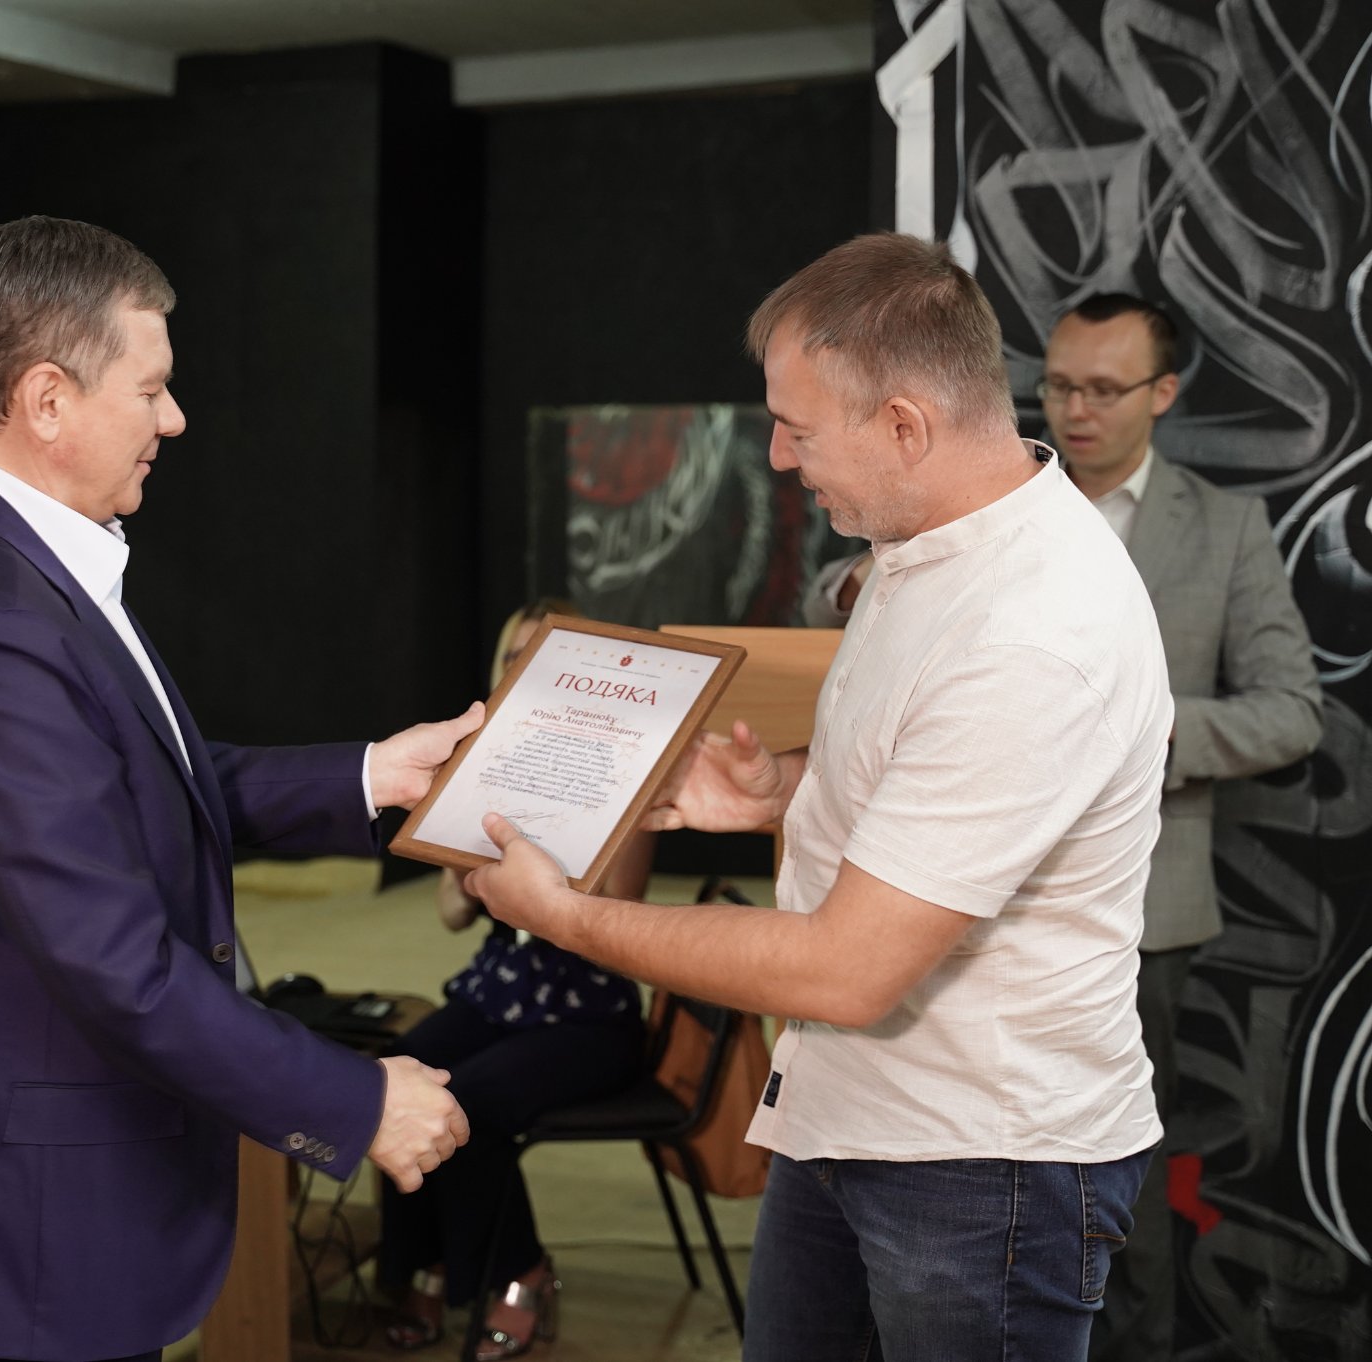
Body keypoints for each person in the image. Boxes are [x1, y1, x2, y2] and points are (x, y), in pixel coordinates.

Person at [466, 232, 1174, 1361]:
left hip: (976, 1164)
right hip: (845, 1115)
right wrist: (782, 792)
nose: (779, 458)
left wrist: (565, 916)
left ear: (904, 425)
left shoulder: (1035, 628)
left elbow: (846, 968)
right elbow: (923, 778)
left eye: (797, 428)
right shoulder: (923, 542)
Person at [0, 216, 481, 1362]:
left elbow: (148, 786)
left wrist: (371, 775)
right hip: (32, 1219)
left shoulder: (0, 563)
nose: (172, 420)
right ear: (46, 401)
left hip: (30, 1190)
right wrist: (356, 1102)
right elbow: (116, 965)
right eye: (150, 389)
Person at [804, 294, 1324, 1361]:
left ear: (1162, 394)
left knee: (1104, 1197)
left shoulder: (1221, 528)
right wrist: (865, 575)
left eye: (1103, 389)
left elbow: (1292, 710)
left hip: (1142, 912)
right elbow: (831, 592)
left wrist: (1125, 727)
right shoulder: (983, 497)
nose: (1075, 410)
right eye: (1058, 386)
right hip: (931, 901)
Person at [377, 599, 650, 1361]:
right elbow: (452, 916)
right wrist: (468, 844)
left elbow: (621, 927)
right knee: (394, 1080)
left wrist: (557, 841)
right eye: (513, 656)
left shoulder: (625, 764)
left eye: (544, 655)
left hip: (589, 1010)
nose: (525, 670)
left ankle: (519, 1271)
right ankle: (424, 1264)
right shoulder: (481, 761)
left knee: (472, 1103)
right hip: (499, 987)